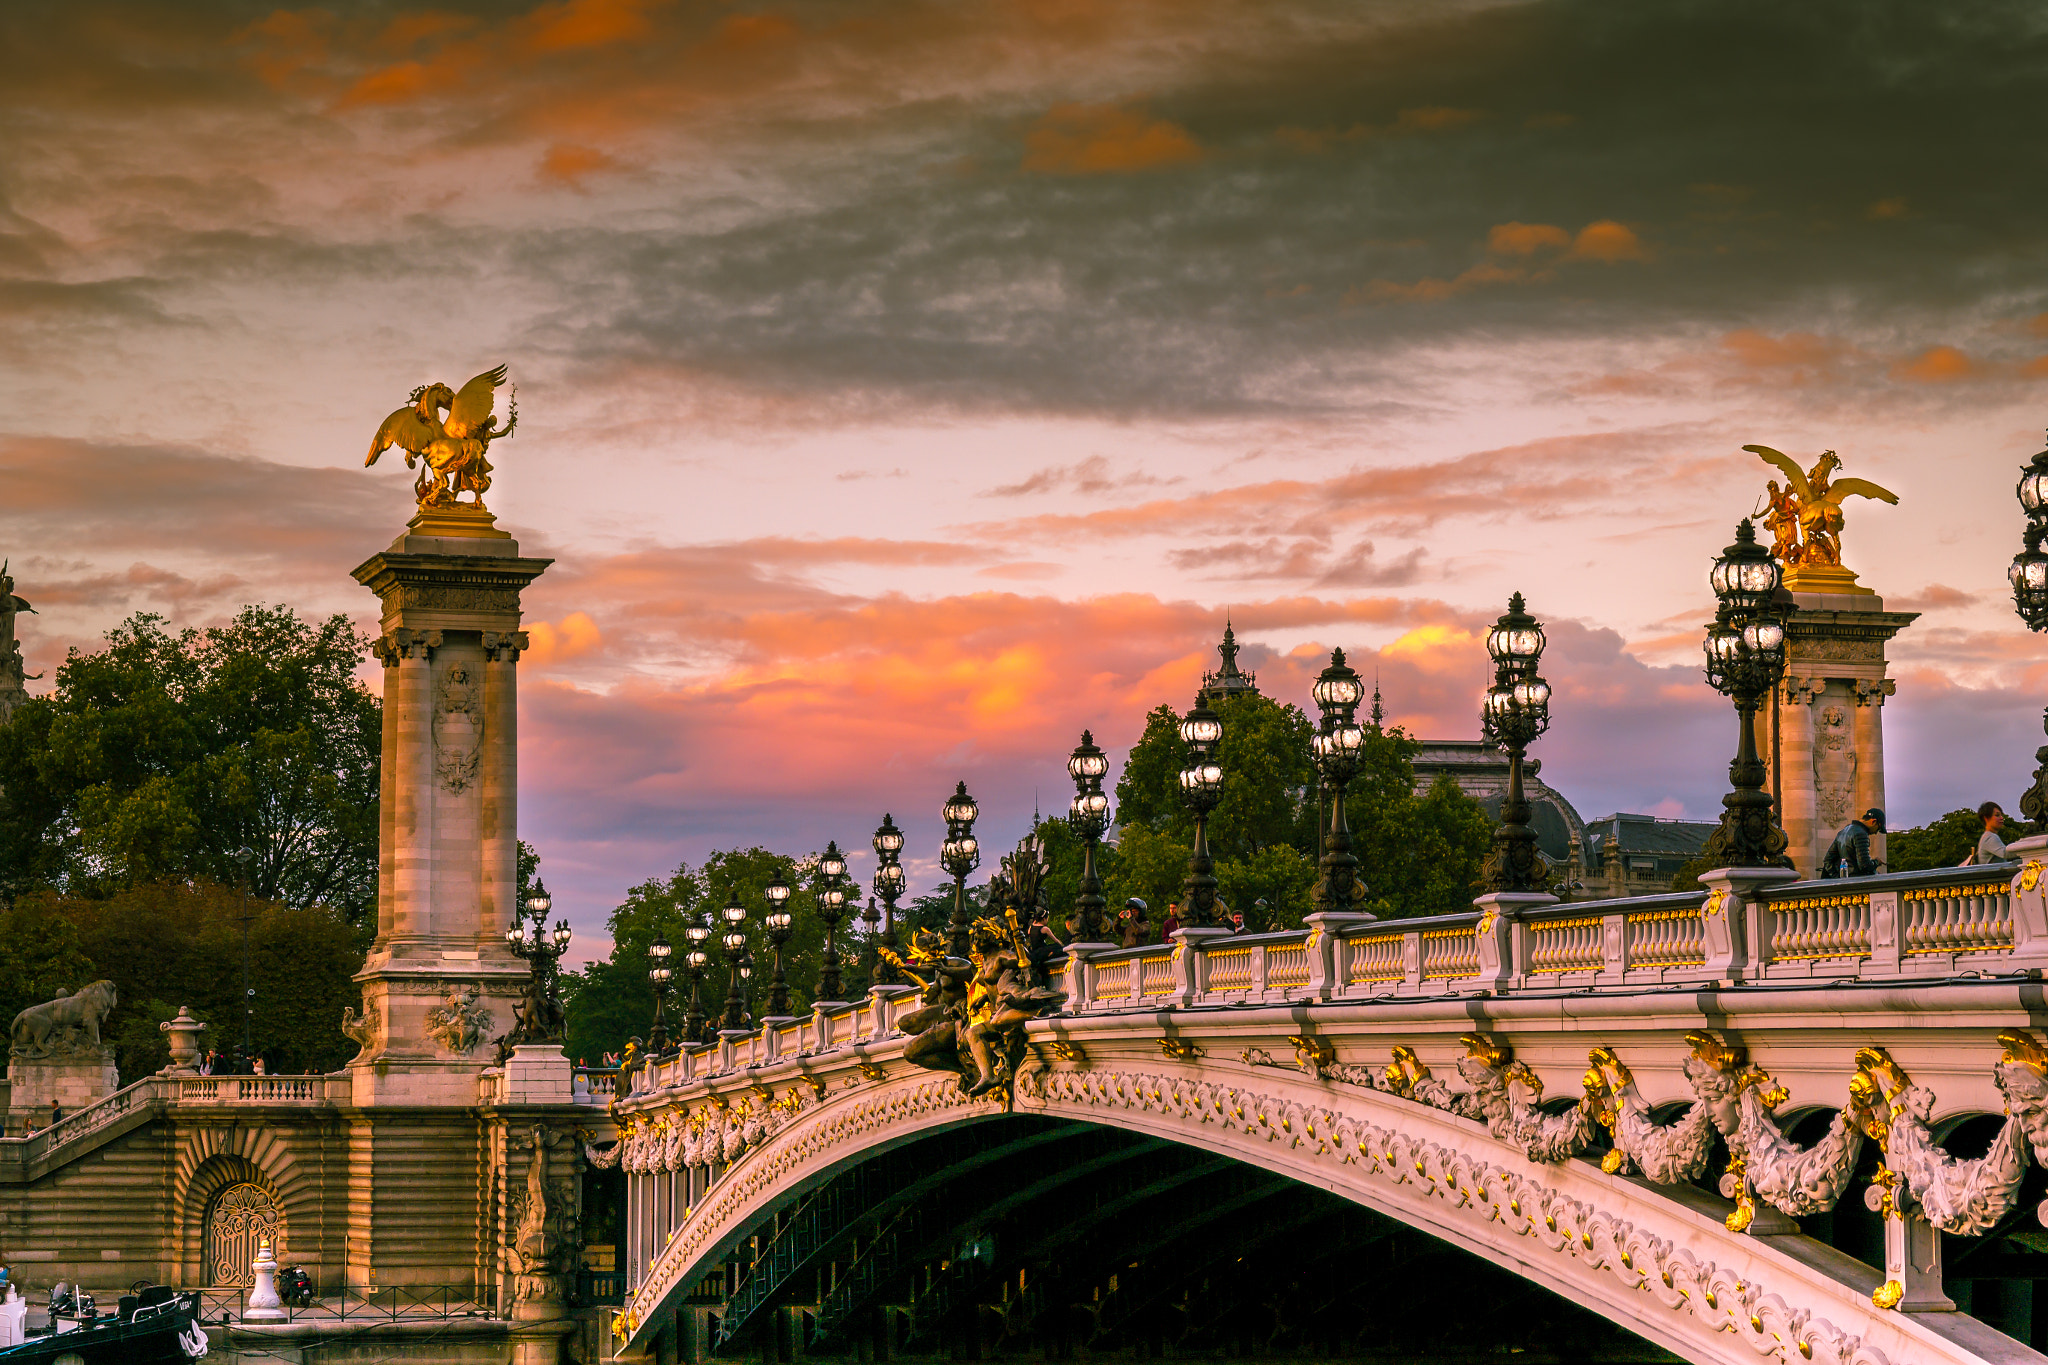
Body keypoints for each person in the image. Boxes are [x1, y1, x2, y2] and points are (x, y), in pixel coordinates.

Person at [1821, 808, 1885, 879]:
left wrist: (1837, 877)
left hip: (1846, 883)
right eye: (1878, 828)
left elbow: (1827, 860)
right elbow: (1864, 865)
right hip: (1856, 882)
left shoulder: (1843, 832)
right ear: (1873, 821)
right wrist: (1876, 862)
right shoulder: (1861, 834)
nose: (1876, 833)